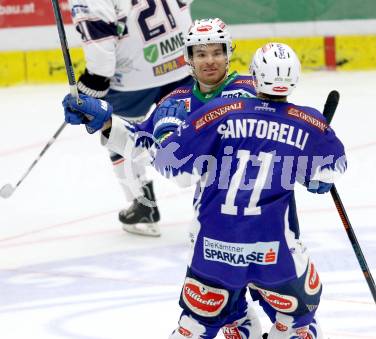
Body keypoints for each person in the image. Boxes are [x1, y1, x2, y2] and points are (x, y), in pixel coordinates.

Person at [62, 42, 347, 338]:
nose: (210, 60)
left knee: (199, 326)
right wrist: (317, 167)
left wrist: (117, 123)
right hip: (275, 250)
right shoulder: (308, 121)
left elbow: (169, 162)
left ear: (244, 65)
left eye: (216, 52)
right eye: (201, 53)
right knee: (298, 326)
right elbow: (329, 167)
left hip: (215, 246)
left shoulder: (219, 111)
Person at [68, 0, 195, 236]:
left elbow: (100, 69)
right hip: (181, 65)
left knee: (117, 133)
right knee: (195, 135)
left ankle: (143, 204)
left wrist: (86, 94)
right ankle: (219, 207)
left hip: (133, 82)